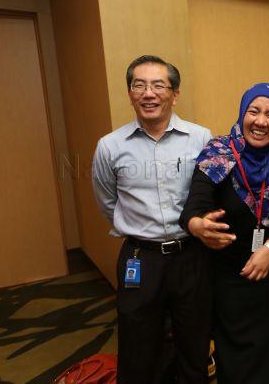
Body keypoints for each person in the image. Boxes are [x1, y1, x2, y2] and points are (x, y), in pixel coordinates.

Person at [179, 83, 269, 384]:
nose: (261, 121)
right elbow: (194, 207)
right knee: (241, 364)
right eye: (254, 111)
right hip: (232, 277)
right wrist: (198, 225)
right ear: (242, 114)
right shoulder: (217, 154)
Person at [92, 55, 214, 383]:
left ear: (175, 94)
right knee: (138, 345)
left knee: (195, 341)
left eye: (159, 85)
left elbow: (209, 194)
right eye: (139, 85)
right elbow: (108, 202)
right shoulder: (110, 146)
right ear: (130, 93)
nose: (149, 93)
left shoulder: (201, 139)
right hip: (140, 258)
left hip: (191, 255)